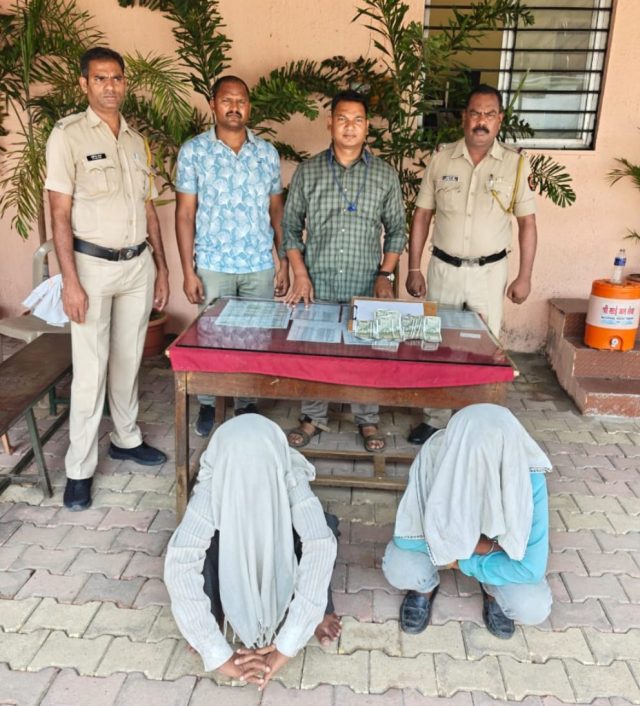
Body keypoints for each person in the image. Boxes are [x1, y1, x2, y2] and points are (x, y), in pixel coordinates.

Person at [46, 47, 169, 512]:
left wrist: (162, 267)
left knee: (128, 359)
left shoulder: (136, 140)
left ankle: (126, 437)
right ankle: (79, 469)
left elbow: (147, 207)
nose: (110, 86)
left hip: (138, 266)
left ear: (125, 83)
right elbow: (59, 213)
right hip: (92, 268)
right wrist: (70, 281)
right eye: (100, 78)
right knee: (90, 369)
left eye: (117, 78)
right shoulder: (68, 135)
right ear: (84, 84)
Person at [164, 415, 341, 688]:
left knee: (324, 528)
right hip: (232, 546)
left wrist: (288, 644)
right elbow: (181, 561)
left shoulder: (289, 471)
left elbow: (318, 544)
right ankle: (213, 615)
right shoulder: (214, 482)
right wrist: (216, 652)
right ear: (226, 463)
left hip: (281, 540)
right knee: (202, 543)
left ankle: (318, 611)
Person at [406, 84, 538, 445]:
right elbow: (422, 215)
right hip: (444, 270)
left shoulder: (515, 164)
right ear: (464, 117)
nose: (482, 121)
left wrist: (525, 276)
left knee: (485, 348)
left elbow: (527, 223)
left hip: (489, 274)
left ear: (500, 119)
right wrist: (414, 268)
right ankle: (435, 418)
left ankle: (479, 419)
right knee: (436, 343)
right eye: (476, 113)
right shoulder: (441, 159)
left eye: (489, 114)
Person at [281, 90, 406, 453]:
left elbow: (397, 230)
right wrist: (299, 274)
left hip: (364, 283)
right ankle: (313, 416)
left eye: (357, 120)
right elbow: (290, 228)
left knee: (366, 352)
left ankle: (366, 419)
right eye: (342, 119)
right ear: (329, 123)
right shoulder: (309, 171)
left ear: (367, 127)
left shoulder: (384, 175)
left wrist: (385, 275)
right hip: (317, 281)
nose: (349, 127)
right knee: (314, 350)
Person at [175, 75, 287, 438]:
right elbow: (185, 214)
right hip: (213, 265)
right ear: (213, 104)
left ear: (249, 107)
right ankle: (209, 402)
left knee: (256, 337)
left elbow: (277, 210)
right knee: (210, 338)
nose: (234, 107)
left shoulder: (266, 153)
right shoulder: (194, 151)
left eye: (241, 101)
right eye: (227, 100)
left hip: (258, 264)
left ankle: (246, 402)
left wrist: (282, 261)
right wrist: (187, 270)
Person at [383, 404, 552, 639]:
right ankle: (425, 588)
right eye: (471, 451)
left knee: (532, 606)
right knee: (401, 569)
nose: (481, 461)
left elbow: (530, 569)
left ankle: (492, 589)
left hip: (458, 549)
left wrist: (459, 560)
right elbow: (408, 539)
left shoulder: (529, 477)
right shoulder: (437, 454)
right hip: (490, 552)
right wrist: (491, 546)